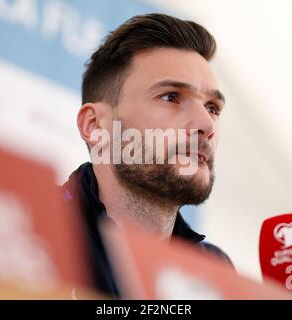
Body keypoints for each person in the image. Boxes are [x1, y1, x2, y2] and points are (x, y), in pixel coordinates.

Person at [62, 13, 233, 299]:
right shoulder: (32, 232)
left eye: (213, 108)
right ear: (95, 125)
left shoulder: (215, 271)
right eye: (171, 97)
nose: (206, 125)